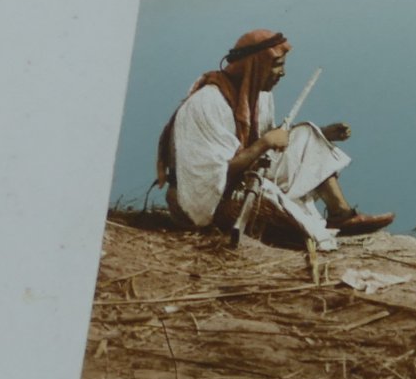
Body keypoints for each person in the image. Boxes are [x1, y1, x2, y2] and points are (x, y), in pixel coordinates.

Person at [155, 28, 392, 245]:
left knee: (307, 132)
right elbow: (210, 176)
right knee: (279, 209)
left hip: (243, 180)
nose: (283, 73)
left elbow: (269, 144)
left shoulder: (262, 97)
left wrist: (321, 133)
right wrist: (266, 142)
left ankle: (341, 215)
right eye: (277, 65)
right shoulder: (206, 103)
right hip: (203, 201)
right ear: (255, 66)